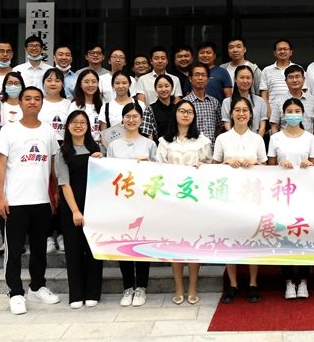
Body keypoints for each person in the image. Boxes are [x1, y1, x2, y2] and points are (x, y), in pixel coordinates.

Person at [0, 86, 61, 315]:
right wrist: (0, 197)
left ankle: (37, 287)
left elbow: (53, 166)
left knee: (40, 249)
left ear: (42, 103)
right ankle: (15, 292)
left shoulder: (48, 131)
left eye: (37, 99)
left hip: (41, 201)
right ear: (20, 102)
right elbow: (0, 165)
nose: (32, 102)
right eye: (28, 98)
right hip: (15, 201)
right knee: (14, 250)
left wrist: (55, 194)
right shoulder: (9, 130)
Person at [155, 99, 212, 305]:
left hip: (195, 200)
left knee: (194, 244)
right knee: (175, 244)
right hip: (172, 201)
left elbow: (210, 167)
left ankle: (193, 287)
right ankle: (179, 287)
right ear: (175, 114)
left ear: (194, 116)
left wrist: (202, 168)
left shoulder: (202, 141)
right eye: (182, 111)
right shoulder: (164, 142)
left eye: (189, 112)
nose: (185, 114)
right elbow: (158, 169)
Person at [213, 97, 268, 304]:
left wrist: (256, 163)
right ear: (231, 113)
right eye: (237, 110)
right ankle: (233, 284)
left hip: (252, 197)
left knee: (252, 239)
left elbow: (268, 170)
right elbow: (213, 168)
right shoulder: (222, 138)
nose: (241, 113)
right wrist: (226, 163)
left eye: (245, 110)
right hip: (229, 197)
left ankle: (253, 283)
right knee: (230, 240)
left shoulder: (257, 139)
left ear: (251, 114)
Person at [107, 102, 158, 307]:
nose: (131, 120)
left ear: (141, 120)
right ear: (122, 120)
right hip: (121, 201)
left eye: (135, 116)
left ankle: (141, 287)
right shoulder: (113, 145)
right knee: (124, 243)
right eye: (127, 116)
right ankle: (128, 287)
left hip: (143, 201)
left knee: (142, 242)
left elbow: (158, 174)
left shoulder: (149, 144)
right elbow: (109, 173)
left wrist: (148, 165)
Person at [267, 98, 314, 300]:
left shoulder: (310, 138)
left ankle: (303, 280)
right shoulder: (275, 138)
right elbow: (270, 167)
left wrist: (309, 164)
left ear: (303, 114)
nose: (293, 114)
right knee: (285, 236)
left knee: (304, 235)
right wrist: (281, 166)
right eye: (290, 111)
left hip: (305, 194)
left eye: (297, 111)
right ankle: (288, 280)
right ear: (283, 114)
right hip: (282, 195)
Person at [56, 111, 104, 309]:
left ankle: (93, 293)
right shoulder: (63, 151)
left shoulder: (96, 148)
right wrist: (76, 211)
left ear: (88, 126)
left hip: (95, 206)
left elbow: (105, 178)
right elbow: (64, 183)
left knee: (93, 250)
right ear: (68, 126)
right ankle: (76, 294)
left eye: (82, 122)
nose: (78, 125)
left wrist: (101, 160)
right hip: (72, 207)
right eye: (74, 122)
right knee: (74, 250)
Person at [0, 71, 25, 256]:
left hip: (23, 159)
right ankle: (5, 241)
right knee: (4, 199)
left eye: (17, 83)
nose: (13, 86)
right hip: (3, 158)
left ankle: (21, 240)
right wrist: (3, 149)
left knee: (22, 199)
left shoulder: (26, 102)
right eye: (10, 83)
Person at [40, 68, 70, 254]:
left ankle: (62, 234)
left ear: (62, 84)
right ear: (43, 83)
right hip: (42, 152)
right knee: (46, 193)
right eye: (49, 80)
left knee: (62, 193)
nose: (53, 83)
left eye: (57, 80)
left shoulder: (69, 104)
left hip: (63, 151)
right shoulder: (38, 102)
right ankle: (48, 235)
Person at [269, 64, 314, 135]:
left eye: (297, 76)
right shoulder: (278, 101)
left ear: (304, 79)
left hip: (308, 141)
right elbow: (274, 126)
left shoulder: (313, 101)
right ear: (286, 81)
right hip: (285, 141)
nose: (295, 80)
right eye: (291, 77)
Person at [182, 62, 222, 146]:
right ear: (190, 79)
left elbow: (219, 127)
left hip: (212, 149)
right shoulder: (184, 103)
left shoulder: (214, 102)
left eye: (203, 75)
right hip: (192, 149)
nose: (200, 78)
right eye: (196, 75)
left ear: (208, 79)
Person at [221, 66, 268, 136]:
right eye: (242, 77)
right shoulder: (227, 102)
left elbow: (262, 127)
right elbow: (227, 124)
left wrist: (257, 140)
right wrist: (237, 139)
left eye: (248, 78)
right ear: (235, 79)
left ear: (252, 80)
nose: (245, 81)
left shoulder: (260, 101)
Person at [260, 39, 299, 115]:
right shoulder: (266, 70)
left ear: (291, 52)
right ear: (275, 53)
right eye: (280, 49)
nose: (282, 51)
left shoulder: (298, 69)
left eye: (285, 49)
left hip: (293, 113)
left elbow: (303, 91)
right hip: (273, 112)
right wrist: (268, 111)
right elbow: (264, 95)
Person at [68, 70, 103, 144]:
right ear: (80, 84)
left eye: (94, 82)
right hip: (81, 144)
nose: (90, 85)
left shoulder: (102, 105)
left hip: (98, 146)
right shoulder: (75, 106)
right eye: (86, 82)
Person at [141, 74, 174, 143]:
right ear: (155, 89)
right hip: (158, 147)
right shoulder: (150, 109)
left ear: (172, 88)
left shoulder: (178, 108)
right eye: (160, 86)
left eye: (167, 86)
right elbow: (146, 134)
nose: (163, 89)